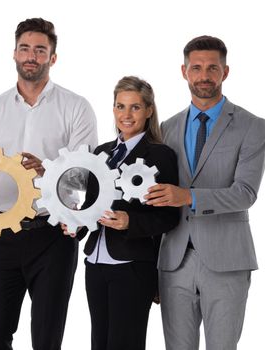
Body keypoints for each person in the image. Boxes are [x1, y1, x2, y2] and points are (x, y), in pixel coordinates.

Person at [0, 17, 98, 350]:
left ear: (52, 57)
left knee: (46, 339)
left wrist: (47, 171)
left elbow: (83, 177)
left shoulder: (76, 108)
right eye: (24, 48)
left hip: (54, 236)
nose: (31, 56)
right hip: (4, 233)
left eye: (39, 49)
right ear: (14, 54)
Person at [145, 35, 265, 350]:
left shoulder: (251, 126)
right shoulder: (166, 129)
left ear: (225, 72)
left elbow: (245, 193)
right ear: (184, 71)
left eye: (212, 68)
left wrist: (189, 197)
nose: (204, 76)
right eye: (196, 68)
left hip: (227, 260)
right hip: (174, 261)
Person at [67, 76, 179, 350]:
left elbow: (170, 216)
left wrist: (131, 221)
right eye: (120, 106)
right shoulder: (102, 152)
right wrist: (76, 224)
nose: (126, 115)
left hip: (132, 265)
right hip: (95, 263)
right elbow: (90, 205)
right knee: (100, 343)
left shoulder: (160, 155)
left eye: (135, 107)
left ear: (149, 110)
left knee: (124, 343)